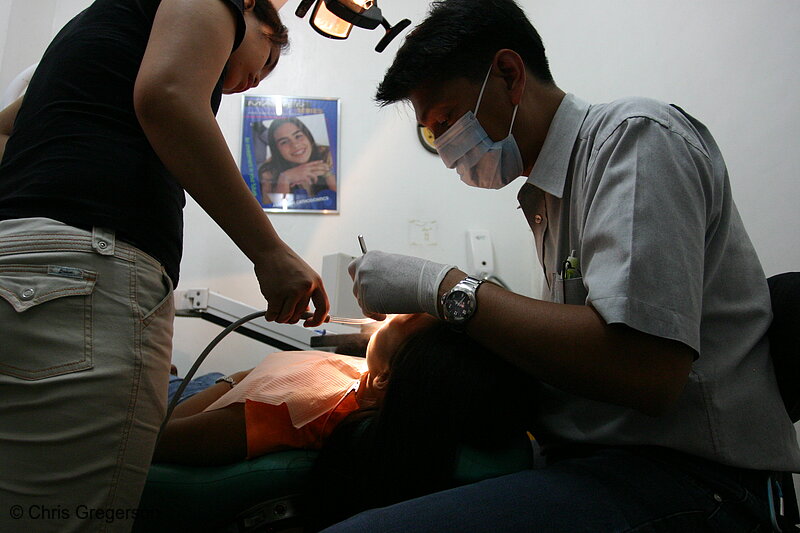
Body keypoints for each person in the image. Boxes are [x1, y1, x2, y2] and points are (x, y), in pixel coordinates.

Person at [339, 0, 800, 531]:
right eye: (432, 135)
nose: (447, 151)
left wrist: (440, 289)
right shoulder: (550, 197)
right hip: (604, 460)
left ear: (509, 74)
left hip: (698, 481)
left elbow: (644, 369)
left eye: (446, 122)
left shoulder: (635, 139)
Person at [0, 0, 329, 531]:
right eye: (265, 59)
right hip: (83, 275)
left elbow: (5, 131)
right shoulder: (223, 3)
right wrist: (270, 253)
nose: (248, 84)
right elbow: (168, 97)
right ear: (257, 17)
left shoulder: (98, 34)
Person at [151, 313, 538, 529]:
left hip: (193, 398)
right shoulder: (385, 391)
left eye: (406, 320)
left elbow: (155, 439)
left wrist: (231, 380)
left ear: (387, 378)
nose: (404, 310)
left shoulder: (300, 408)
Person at [258, 117, 337, 209]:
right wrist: (284, 179)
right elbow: (273, 213)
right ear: (276, 149)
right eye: (284, 142)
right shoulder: (268, 172)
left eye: (298, 136)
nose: (295, 145)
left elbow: (342, 205)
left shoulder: (328, 155)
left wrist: (328, 174)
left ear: (308, 136)